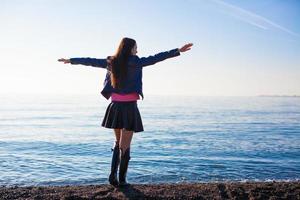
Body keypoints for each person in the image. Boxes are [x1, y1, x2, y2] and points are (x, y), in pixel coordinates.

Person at [58, 37, 193, 187]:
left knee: (118, 143)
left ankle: (112, 176)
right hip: (129, 108)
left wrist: (71, 60)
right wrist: (177, 51)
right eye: (136, 47)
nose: (137, 50)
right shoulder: (137, 62)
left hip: (115, 107)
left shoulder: (112, 62)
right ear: (130, 48)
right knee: (125, 146)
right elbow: (157, 58)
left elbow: (91, 61)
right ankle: (122, 180)